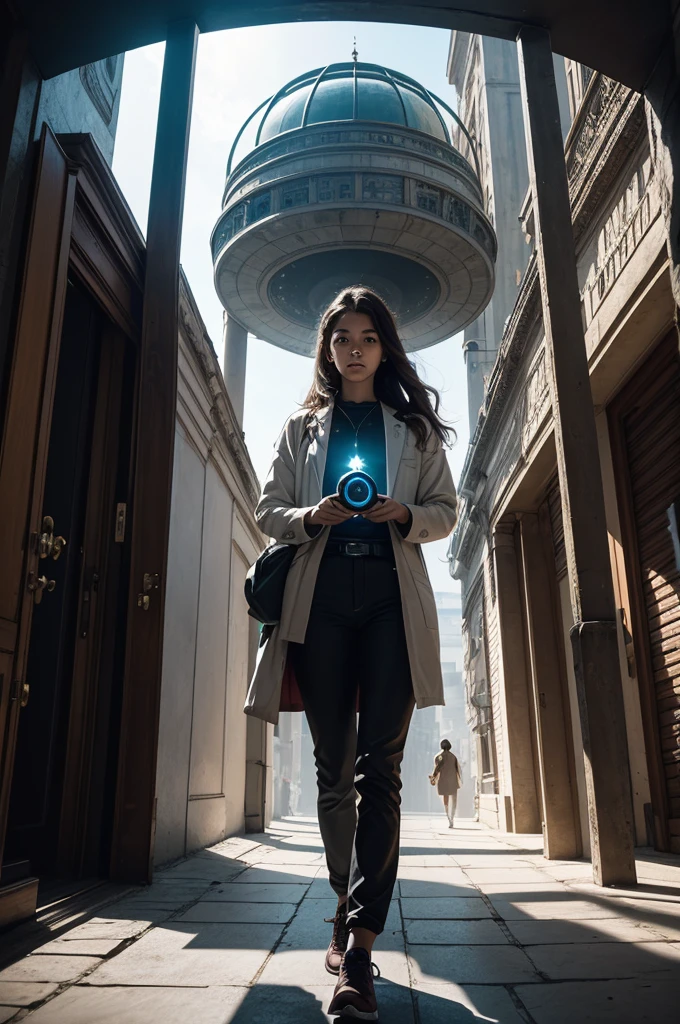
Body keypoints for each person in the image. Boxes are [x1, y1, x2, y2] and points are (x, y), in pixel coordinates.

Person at [244, 286, 457, 1020]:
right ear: (328, 350)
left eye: (369, 336)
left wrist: (404, 512)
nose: (357, 347)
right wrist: (312, 514)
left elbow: (446, 511)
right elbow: (267, 508)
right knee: (333, 769)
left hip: (392, 605)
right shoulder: (300, 428)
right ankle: (344, 898)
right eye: (343, 337)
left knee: (382, 770)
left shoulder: (413, 429)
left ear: (384, 347)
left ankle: (360, 948)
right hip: (322, 601)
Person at [430, 738, 462, 828]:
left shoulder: (440, 756)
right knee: (454, 800)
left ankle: (449, 818)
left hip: (444, 780)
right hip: (453, 781)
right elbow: (458, 770)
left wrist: (433, 776)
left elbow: (437, 767)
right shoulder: (454, 756)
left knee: (446, 799)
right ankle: (452, 818)